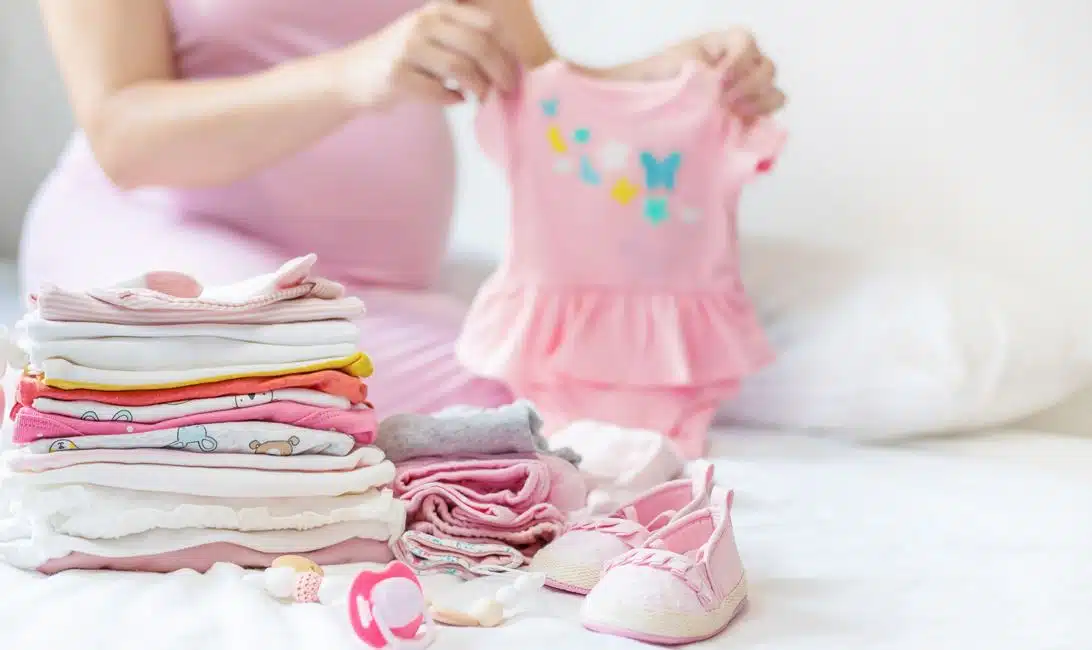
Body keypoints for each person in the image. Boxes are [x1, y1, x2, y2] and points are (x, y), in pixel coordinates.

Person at [21, 0, 786, 414]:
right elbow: (124, 136)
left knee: (583, 380)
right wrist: (357, 73)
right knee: (514, 405)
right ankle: (78, 369)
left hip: (370, 292)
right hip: (160, 236)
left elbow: (549, 94)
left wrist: (674, 78)